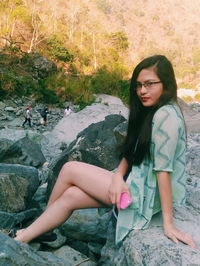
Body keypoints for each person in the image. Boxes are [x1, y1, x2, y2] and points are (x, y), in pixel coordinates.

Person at [14, 55, 196, 248]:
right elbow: (133, 149)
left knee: (69, 169)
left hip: (141, 198)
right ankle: (31, 235)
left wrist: (168, 225)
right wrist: (118, 176)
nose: (142, 90)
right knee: (70, 196)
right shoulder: (155, 110)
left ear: (166, 83)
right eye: (139, 85)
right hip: (134, 184)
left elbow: (163, 170)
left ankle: (29, 235)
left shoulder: (165, 116)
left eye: (150, 84)